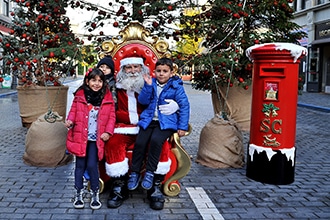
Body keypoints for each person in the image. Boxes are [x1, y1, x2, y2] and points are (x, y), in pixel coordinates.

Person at [104, 57, 179, 210]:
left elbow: (173, 94)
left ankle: (155, 186)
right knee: (113, 144)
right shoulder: (114, 87)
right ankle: (119, 186)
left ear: (142, 68)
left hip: (147, 126)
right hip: (122, 127)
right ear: (122, 70)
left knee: (160, 144)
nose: (132, 71)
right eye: (128, 68)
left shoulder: (153, 84)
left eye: (136, 67)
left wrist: (175, 106)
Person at [127, 57, 190, 193]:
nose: (161, 74)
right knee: (140, 142)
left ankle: (150, 172)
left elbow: (184, 105)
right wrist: (148, 86)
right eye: (159, 71)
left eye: (165, 71)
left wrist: (182, 126)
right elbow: (143, 101)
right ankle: (135, 172)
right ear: (154, 72)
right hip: (149, 120)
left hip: (166, 122)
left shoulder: (176, 87)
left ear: (171, 73)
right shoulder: (151, 83)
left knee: (156, 140)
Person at [65, 68, 116, 210]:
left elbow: (111, 117)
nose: (96, 83)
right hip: (80, 137)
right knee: (79, 166)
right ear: (87, 81)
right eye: (94, 80)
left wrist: (108, 132)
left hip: (95, 139)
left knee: (93, 165)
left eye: (100, 81)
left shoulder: (107, 98)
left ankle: (95, 192)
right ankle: (78, 192)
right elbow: (73, 112)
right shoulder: (80, 96)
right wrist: (69, 121)